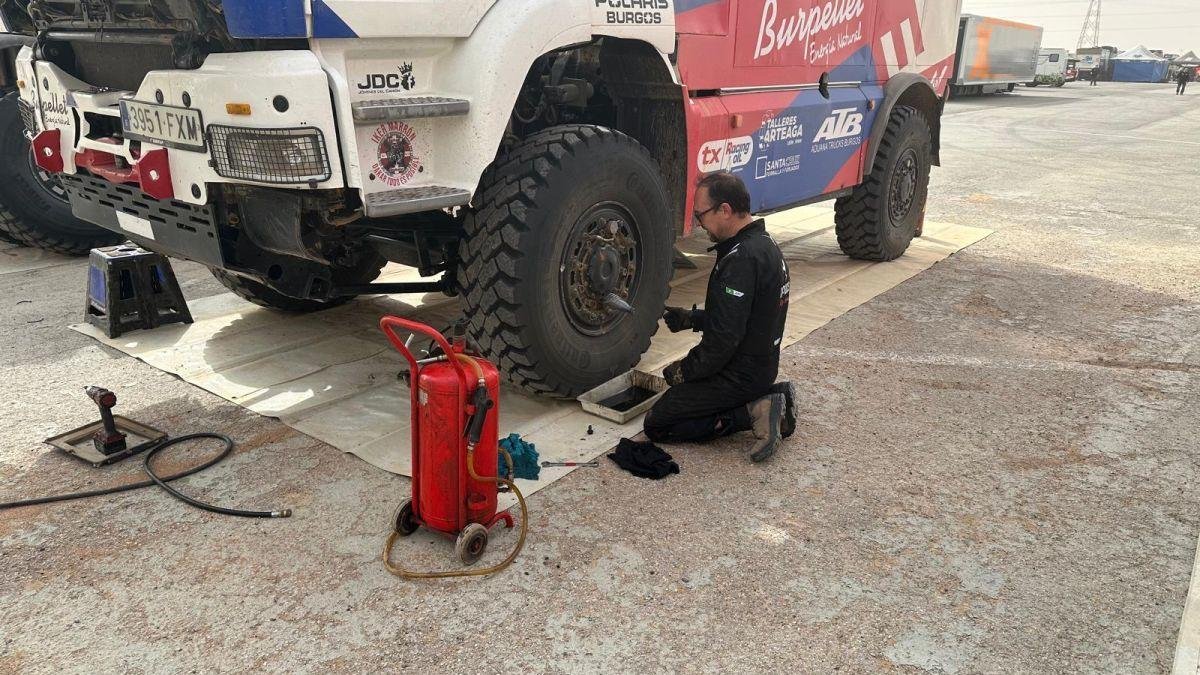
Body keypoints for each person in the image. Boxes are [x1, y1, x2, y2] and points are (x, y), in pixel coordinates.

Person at [645, 172, 796, 462]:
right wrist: (693, 319)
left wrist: (684, 371)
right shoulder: (763, 245)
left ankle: (755, 410)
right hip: (760, 365)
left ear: (724, 210)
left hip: (738, 374)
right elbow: (744, 318)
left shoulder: (741, 260)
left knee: (660, 421)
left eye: (700, 215)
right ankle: (775, 396)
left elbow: (721, 344)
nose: (700, 225)